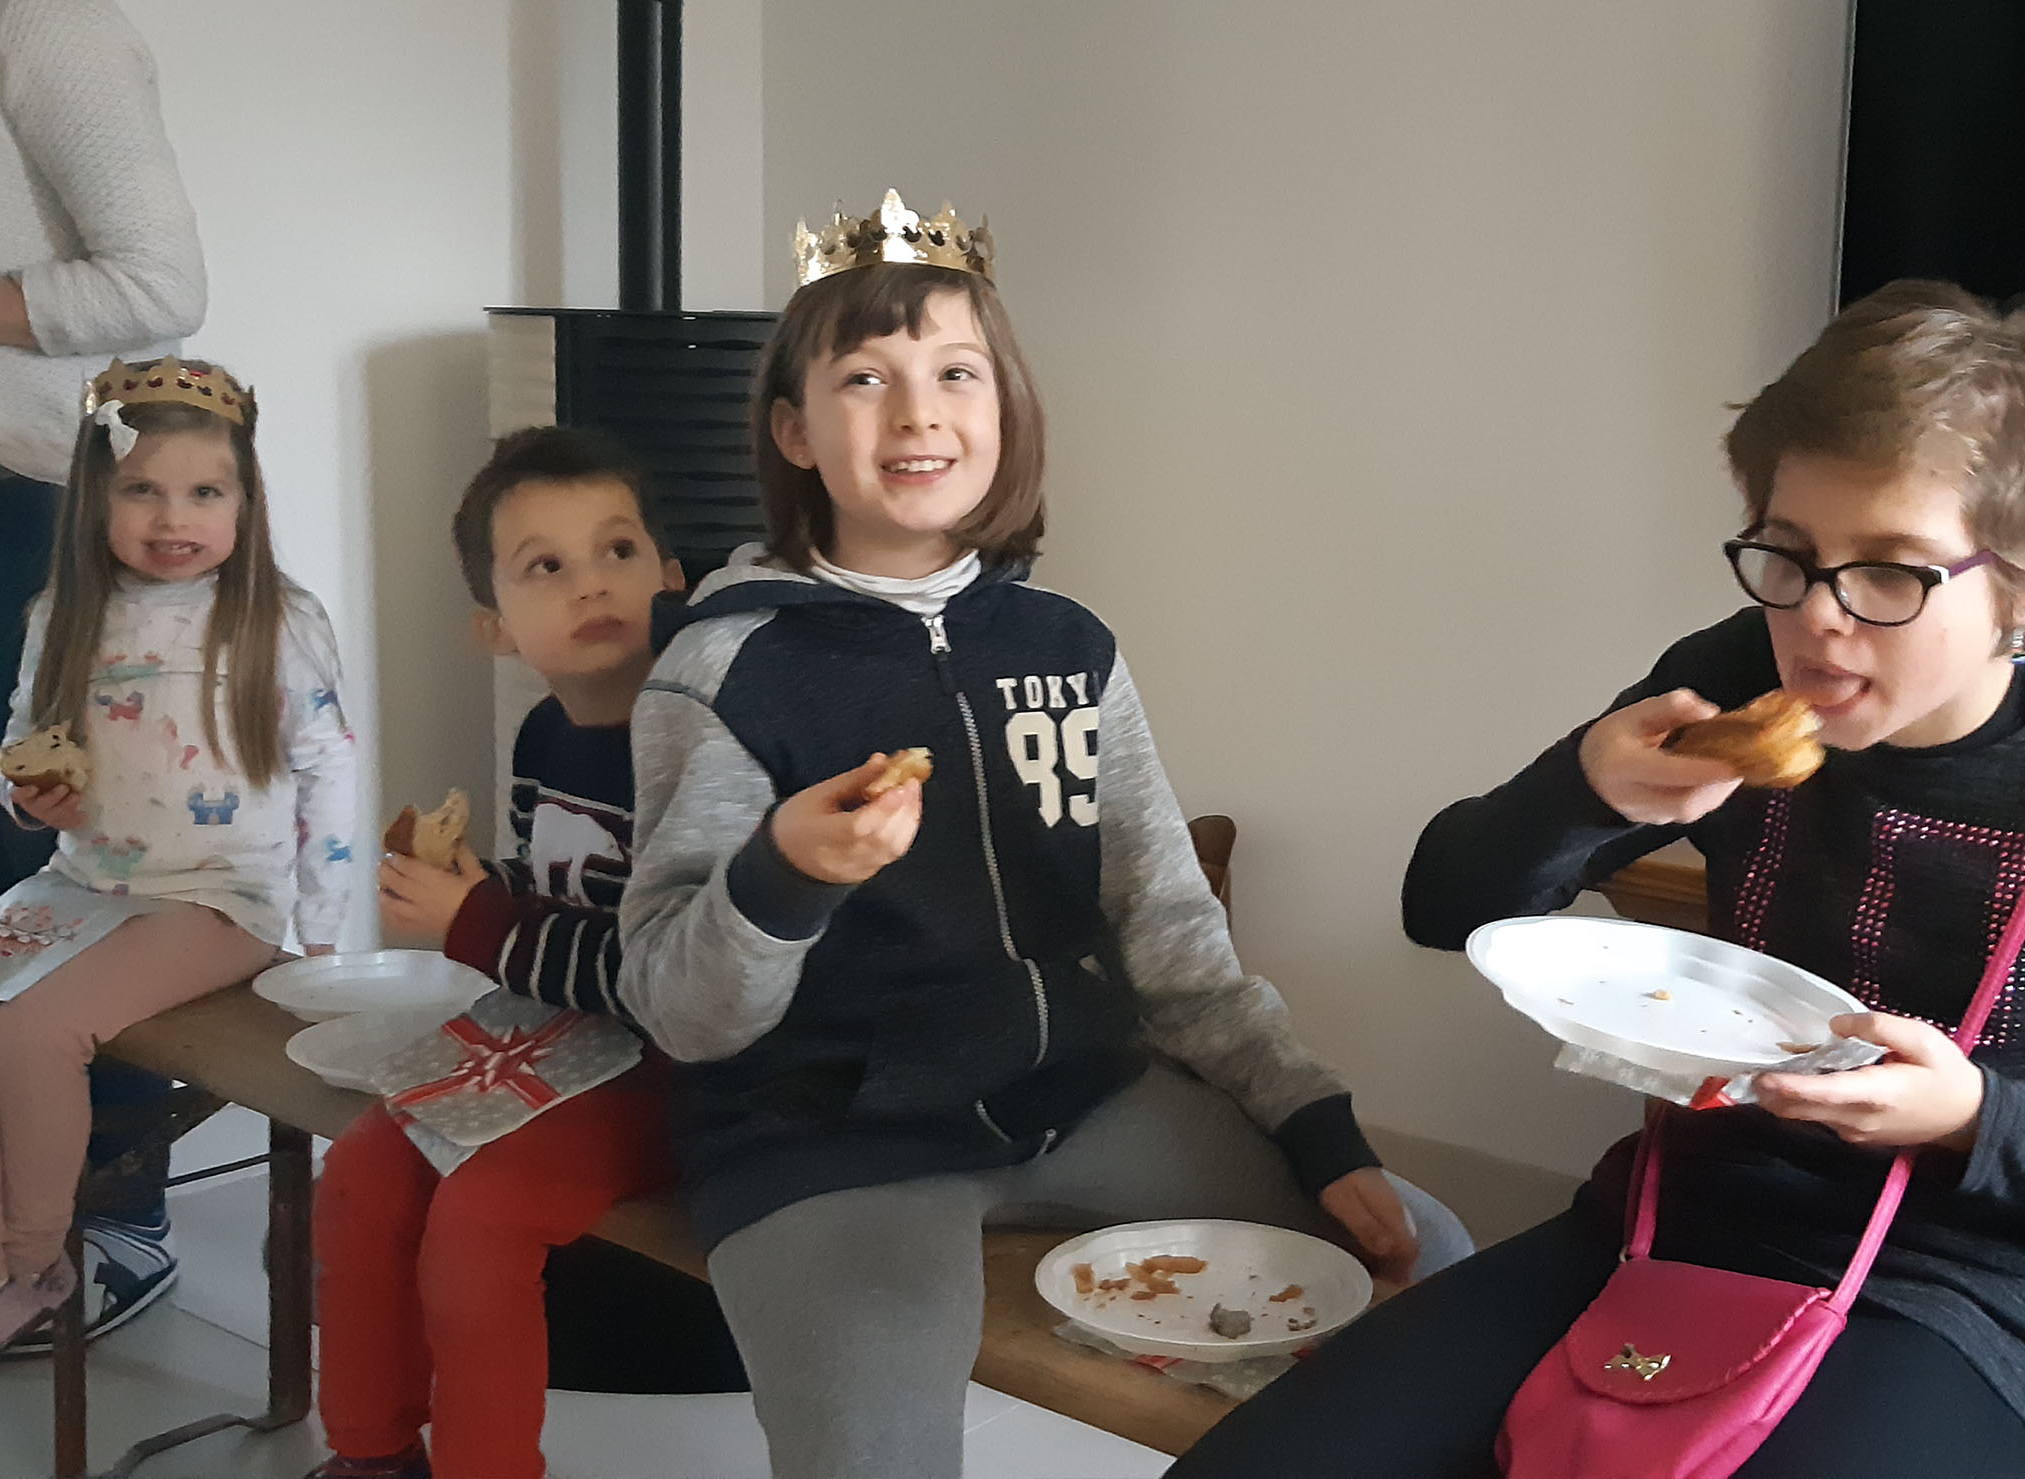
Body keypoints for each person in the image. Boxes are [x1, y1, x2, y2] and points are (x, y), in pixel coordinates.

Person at [607, 193, 1473, 1479]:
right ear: (794, 430)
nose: (917, 414)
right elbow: (680, 1010)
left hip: (1080, 1098)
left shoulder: (1069, 647)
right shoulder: (723, 672)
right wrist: (781, 876)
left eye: (956, 372)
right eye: (865, 378)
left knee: (1432, 1263)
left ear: (1004, 409)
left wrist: (1314, 1124)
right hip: (829, 1147)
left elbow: (1172, 933)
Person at [1166, 280, 2025, 1479]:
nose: (1820, 621)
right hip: (1674, 1221)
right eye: (1790, 557)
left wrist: (1972, 1120)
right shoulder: (1737, 675)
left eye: (1892, 572)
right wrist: (1582, 790)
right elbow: (1442, 908)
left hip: (1964, 1280)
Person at [306, 428, 693, 1479]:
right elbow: (561, 889)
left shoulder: (694, 748)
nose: (590, 584)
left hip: (671, 1069)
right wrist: (487, 884)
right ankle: (372, 1453)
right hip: (552, 1040)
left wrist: (476, 918)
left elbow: (665, 972)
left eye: (617, 551)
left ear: (671, 578)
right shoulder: (543, 738)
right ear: (495, 628)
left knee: (479, 1220)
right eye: (546, 567)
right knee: (361, 1173)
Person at [0, 356, 354, 1368]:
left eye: (204, 493)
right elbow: (17, 748)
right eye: (142, 489)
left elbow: (330, 772)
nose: (172, 517)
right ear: (97, 498)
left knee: (38, 1031)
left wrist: (323, 936)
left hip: (217, 901)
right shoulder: (63, 615)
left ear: (244, 501)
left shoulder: (280, 621)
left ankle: (36, 1264)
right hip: (82, 881)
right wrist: (25, 796)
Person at [0, 0, 210, 1346]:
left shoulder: (39, 15)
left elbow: (161, 284)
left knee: (46, 858)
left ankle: (119, 1223)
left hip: (28, 499)